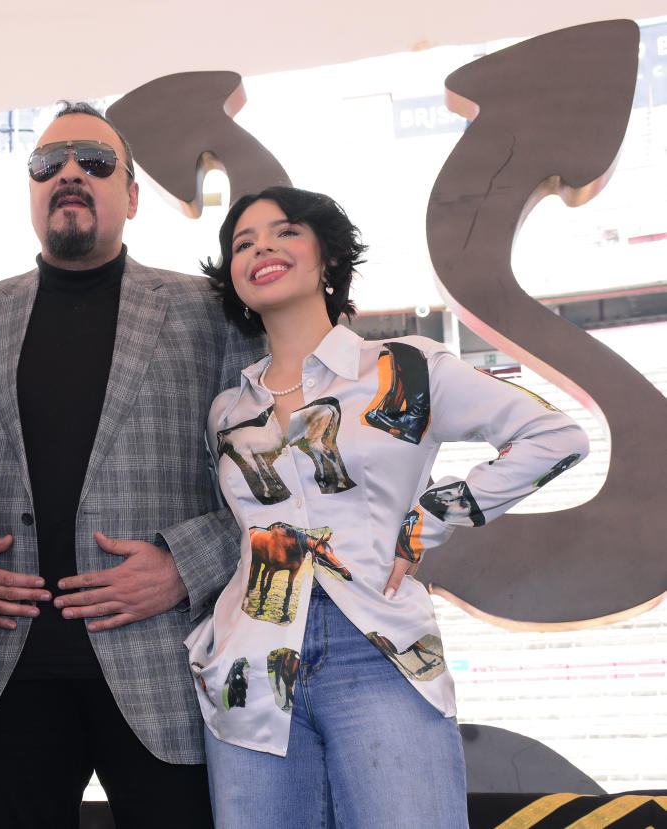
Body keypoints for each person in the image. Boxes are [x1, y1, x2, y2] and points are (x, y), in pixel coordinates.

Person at [187, 186, 590, 828]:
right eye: (242, 242)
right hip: (252, 660)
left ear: (327, 258)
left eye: (285, 231)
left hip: (377, 649)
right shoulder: (228, 411)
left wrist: (431, 517)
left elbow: (556, 438)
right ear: (234, 281)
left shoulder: (404, 368)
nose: (260, 246)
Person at [0, 102, 256, 829]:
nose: (69, 172)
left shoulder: (213, 312)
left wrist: (183, 566)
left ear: (132, 195)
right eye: (48, 164)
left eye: (95, 162)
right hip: (6, 674)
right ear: (31, 191)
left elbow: (278, 484)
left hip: (166, 666)